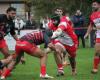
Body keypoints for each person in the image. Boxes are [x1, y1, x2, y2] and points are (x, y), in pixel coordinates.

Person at [48, 7, 78, 76]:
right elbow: (49, 29)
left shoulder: (65, 19)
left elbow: (70, 25)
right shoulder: (53, 20)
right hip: (59, 39)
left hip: (70, 41)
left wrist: (70, 31)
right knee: (56, 50)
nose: (58, 12)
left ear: (62, 12)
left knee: (72, 58)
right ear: (55, 12)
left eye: (60, 11)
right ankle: (60, 69)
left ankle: (73, 69)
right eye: (57, 11)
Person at [84, 0, 100, 74]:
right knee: (97, 51)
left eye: (95, 5)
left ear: (99, 5)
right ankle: (95, 68)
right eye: (92, 5)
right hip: (99, 35)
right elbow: (91, 25)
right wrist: (87, 33)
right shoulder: (92, 15)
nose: (93, 6)